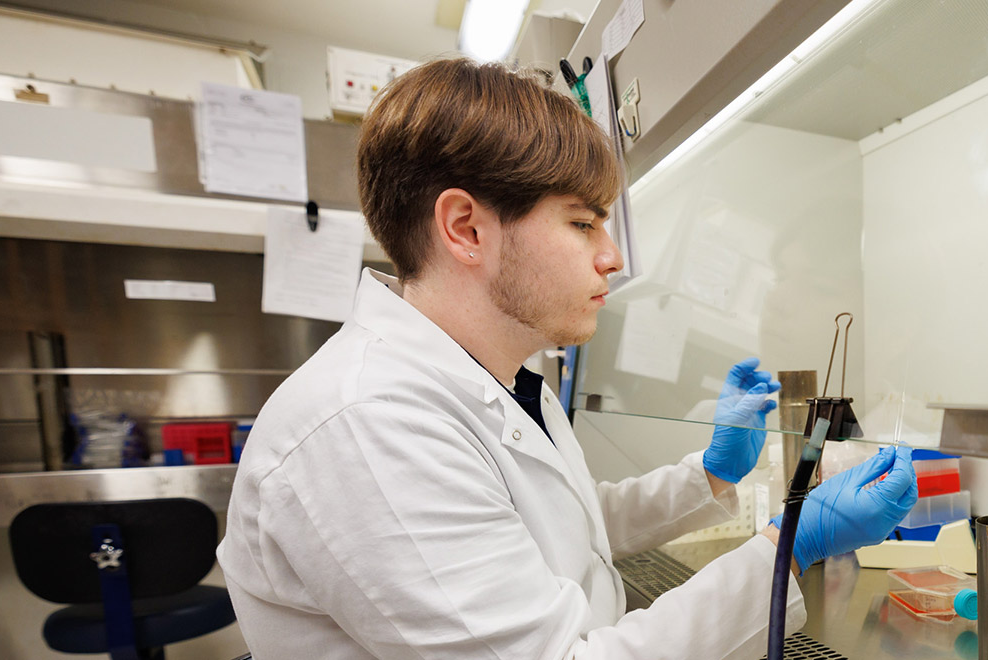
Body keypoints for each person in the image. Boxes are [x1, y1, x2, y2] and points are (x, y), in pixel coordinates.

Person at [216, 58, 918, 660]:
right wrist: (788, 546)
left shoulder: (505, 381)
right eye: (582, 223)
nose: (612, 258)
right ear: (466, 229)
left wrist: (705, 477)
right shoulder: (367, 426)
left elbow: (564, 529)